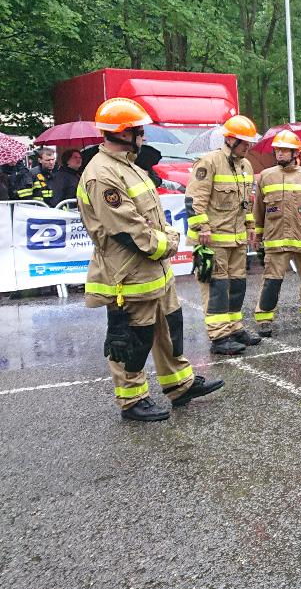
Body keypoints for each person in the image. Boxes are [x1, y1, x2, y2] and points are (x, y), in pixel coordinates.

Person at [79, 98, 222, 422]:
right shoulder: (102, 175)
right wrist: (169, 245)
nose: (143, 134)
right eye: (138, 129)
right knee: (132, 337)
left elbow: (153, 216)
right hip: (129, 272)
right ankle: (132, 400)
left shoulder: (129, 166)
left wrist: (165, 240)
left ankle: (180, 385)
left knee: (169, 328)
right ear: (123, 133)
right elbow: (128, 231)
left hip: (154, 270)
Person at [186, 115, 261, 356]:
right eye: (244, 143)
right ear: (230, 139)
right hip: (214, 239)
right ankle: (219, 336)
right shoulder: (208, 163)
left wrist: (250, 226)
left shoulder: (245, 166)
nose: (248, 147)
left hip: (236, 238)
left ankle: (234, 327)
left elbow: (246, 202)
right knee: (217, 287)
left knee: (237, 284)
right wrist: (202, 229)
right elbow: (194, 200)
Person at [252, 131, 301, 336]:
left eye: (284, 150)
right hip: (276, 238)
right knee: (272, 280)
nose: (279, 154)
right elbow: (258, 210)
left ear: (295, 152)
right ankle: (264, 319)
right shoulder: (266, 177)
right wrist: (256, 234)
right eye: (277, 150)